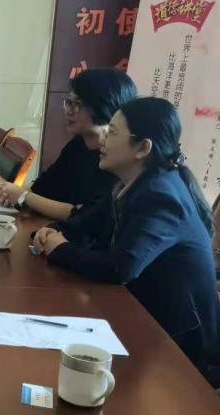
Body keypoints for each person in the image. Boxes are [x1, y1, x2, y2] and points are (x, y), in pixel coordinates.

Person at [32, 97, 219, 385]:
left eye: (113, 132)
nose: (103, 139)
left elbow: (122, 266)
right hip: (140, 317)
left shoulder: (162, 196)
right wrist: (55, 231)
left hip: (180, 348)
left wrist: (61, 248)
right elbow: (86, 223)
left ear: (142, 148)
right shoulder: (130, 183)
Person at [0, 68, 136, 220]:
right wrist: (9, 191)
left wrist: (23, 196)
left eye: (77, 104)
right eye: (68, 102)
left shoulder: (116, 159)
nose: (69, 111)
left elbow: (86, 214)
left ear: (104, 107)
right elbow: (44, 185)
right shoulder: (78, 143)